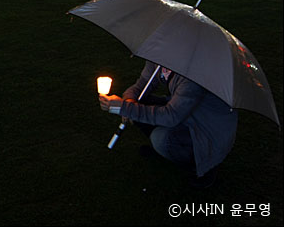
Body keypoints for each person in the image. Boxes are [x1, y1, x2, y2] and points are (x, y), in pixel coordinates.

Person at [98, 61, 238, 189]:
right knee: (139, 104)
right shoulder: (159, 57)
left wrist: (125, 108)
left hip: (206, 129)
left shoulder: (194, 74)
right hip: (185, 112)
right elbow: (142, 84)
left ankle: (204, 166)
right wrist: (129, 100)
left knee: (162, 140)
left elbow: (171, 117)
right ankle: (166, 152)